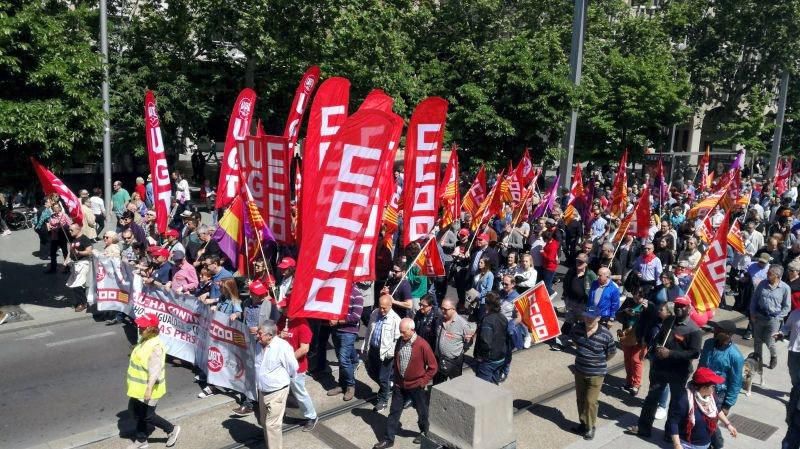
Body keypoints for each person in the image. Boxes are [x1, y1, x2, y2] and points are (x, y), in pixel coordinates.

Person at [628, 296, 703, 438]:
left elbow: (694, 353)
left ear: (689, 308)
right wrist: (656, 348)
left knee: (675, 403)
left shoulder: (694, 330)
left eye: (682, 306)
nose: (678, 308)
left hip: (678, 371)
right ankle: (644, 428)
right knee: (651, 398)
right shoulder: (669, 320)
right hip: (660, 368)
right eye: (677, 305)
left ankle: (670, 433)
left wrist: (670, 353)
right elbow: (659, 338)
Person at [373, 318, 438, 449]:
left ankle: (425, 433)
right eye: (400, 332)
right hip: (400, 385)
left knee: (422, 412)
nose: (401, 335)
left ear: (412, 330)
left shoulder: (422, 345)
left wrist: (423, 381)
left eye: (403, 332)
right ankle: (388, 439)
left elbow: (433, 367)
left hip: (416, 387)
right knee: (394, 412)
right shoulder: (400, 341)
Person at [125, 313, 181, 448]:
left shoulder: (155, 347)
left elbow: (155, 371)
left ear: (152, 329)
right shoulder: (145, 339)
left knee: (148, 416)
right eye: (140, 326)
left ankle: (172, 429)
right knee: (136, 411)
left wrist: (149, 389)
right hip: (138, 388)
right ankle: (142, 440)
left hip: (149, 388)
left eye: (143, 327)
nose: (139, 328)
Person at [570, 308, 617, 441]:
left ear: (598, 318)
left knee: (590, 402)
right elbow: (575, 343)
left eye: (592, 317)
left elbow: (611, 353)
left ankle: (590, 427)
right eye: (586, 316)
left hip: (596, 374)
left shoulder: (606, 335)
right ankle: (583, 423)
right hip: (579, 371)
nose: (588, 319)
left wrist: (597, 362)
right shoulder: (577, 329)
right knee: (580, 399)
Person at [666, 367, 738, 449]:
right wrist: (677, 445)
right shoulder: (684, 399)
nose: (715, 389)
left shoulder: (711, 397)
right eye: (713, 386)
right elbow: (673, 422)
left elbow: (717, 410)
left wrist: (728, 425)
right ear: (704, 387)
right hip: (688, 445)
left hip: (706, 444)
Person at [699, 320, 744, 449]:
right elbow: (701, 365)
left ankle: (717, 445)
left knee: (710, 422)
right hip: (700, 388)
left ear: (728, 335)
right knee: (699, 420)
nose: (715, 331)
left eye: (718, 330)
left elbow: (736, 383)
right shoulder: (708, 344)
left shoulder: (735, 356)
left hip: (718, 395)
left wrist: (727, 404)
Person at [254, 321, 298, 449]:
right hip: (262, 391)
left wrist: (283, 380)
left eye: (260, 333)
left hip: (277, 392)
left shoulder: (282, 347)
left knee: (272, 426)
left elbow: (293, 367)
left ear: (270, 335)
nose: (257, 335)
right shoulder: (259, 344)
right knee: (264, 421)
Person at [277, 313, 318, 431]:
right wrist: (280, 335)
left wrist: (288, 361)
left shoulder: (303, 324)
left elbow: (304, 349)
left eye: (286, 307)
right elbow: (274, 337)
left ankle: (311, 416)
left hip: (297, 367)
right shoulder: (282, 319)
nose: (283, 309)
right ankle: (280, 414)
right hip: (281, 366)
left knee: (299, 393)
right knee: (281, 391)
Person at [363, 294, 402, 412]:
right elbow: (369, 330)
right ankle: (387, 386)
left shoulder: (395, 319)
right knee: (371, 372)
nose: (382, 310)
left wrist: (390, 354)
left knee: (382, 378)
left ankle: (383, 401)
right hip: (373, 350)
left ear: (390, 306)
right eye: (380, 307)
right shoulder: (375, 313)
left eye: (384, 308)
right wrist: (365, 346)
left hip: (386, 354)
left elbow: (397, 340)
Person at [327, 285, 364, 401]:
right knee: (341, 358)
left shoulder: (357, 294)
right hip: (336, 330)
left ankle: (350, 385)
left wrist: (338, 321)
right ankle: (342, 384)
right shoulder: (338, 290)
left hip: (348, 332)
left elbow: (356, 317)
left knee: (343, 360)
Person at [750, 264, 791, 369]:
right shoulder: (762, 284)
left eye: (769, 273)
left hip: (773, 320)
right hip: (759, 316)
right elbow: (754, 299)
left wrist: (778, 318)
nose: (767, 274)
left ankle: (774, 356)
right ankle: (757, 360)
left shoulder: (785, 288)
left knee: (770, 341)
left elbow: (787, 307)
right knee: (757, 341)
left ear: (777, 276)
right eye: (768, 272)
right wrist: (753, 313)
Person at [434, 297, 473, 384]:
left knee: (455, 384)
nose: (442, 311)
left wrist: (460, 350)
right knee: (437, 384)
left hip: (454, 362)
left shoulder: (463, 325)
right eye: (442, 308)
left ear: (453, 309)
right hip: (439, 359)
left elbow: (469, 341)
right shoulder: (439, 319)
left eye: (445, 309)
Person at [473, 292, 508, 384]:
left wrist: (480, 357)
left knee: (482, 386)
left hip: (489, 360)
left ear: (487, 305)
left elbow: (485, 342)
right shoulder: (503, 317)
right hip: (501, 357)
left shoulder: (487, 320)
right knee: (493, 383)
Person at [66, 223, 94, 312]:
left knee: (77, 284)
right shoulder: (73, 240)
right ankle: (81, 301)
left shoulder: (84, 239)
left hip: (83, 263)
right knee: (74, 284)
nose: (69, 232)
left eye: (71, 230)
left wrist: (80, 253)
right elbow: (70, 252)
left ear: (78, 229)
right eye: (69, 230)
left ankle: (82, 303)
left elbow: (89, 251)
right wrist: (65, 262)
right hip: (75, 264)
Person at [45, 203, 71, 273]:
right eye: (54, 208)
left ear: (60, 208)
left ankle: (67, 267)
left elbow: (70, 225)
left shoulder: (64, 215)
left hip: (62, 236)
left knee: (65, 252)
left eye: (57, 207)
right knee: (52, 253)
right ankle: (53, 268)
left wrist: (63, 227)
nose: (55, 209)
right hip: (54, 237)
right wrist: (51, 227)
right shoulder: (52, 216)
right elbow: (49, 224)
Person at [540, 230, 560, 295]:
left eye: (543, 239)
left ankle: (552, 293)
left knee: (546, 286)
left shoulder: (552, 246)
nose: (543, 240)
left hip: (549, 268)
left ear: (546, 238)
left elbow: (550, 258)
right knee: (547, 283)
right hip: (548, 266)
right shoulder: (552, 242)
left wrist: (543, 252)